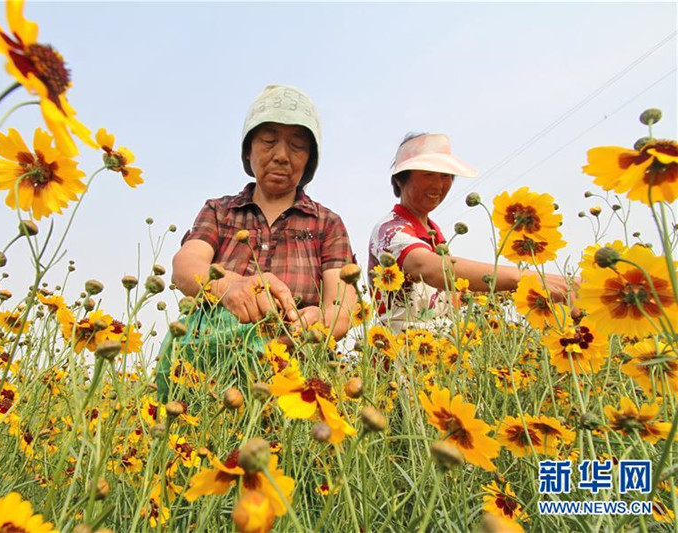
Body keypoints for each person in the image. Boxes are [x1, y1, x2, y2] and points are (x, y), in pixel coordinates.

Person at [157, 85, 357, 399]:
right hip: (209, 372)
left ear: (309, 161)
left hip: (295, 379)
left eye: (297, 146)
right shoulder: (220, 211)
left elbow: (343, 304)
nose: (281, 155)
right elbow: (186, 267)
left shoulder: (326, 223)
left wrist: (322, 320)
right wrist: (230, 286)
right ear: (248, 151)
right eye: (268, 141)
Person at [368, 132, 575, 331]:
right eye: (428, 174)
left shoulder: (434, 236)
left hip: (445, 351)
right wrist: (521, 277)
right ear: (399, 180)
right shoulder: (391, 229)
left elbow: (453, 291)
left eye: (446, 176)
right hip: (402, 355)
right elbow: (426, 267)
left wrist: (516, 292)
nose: (438, 185)